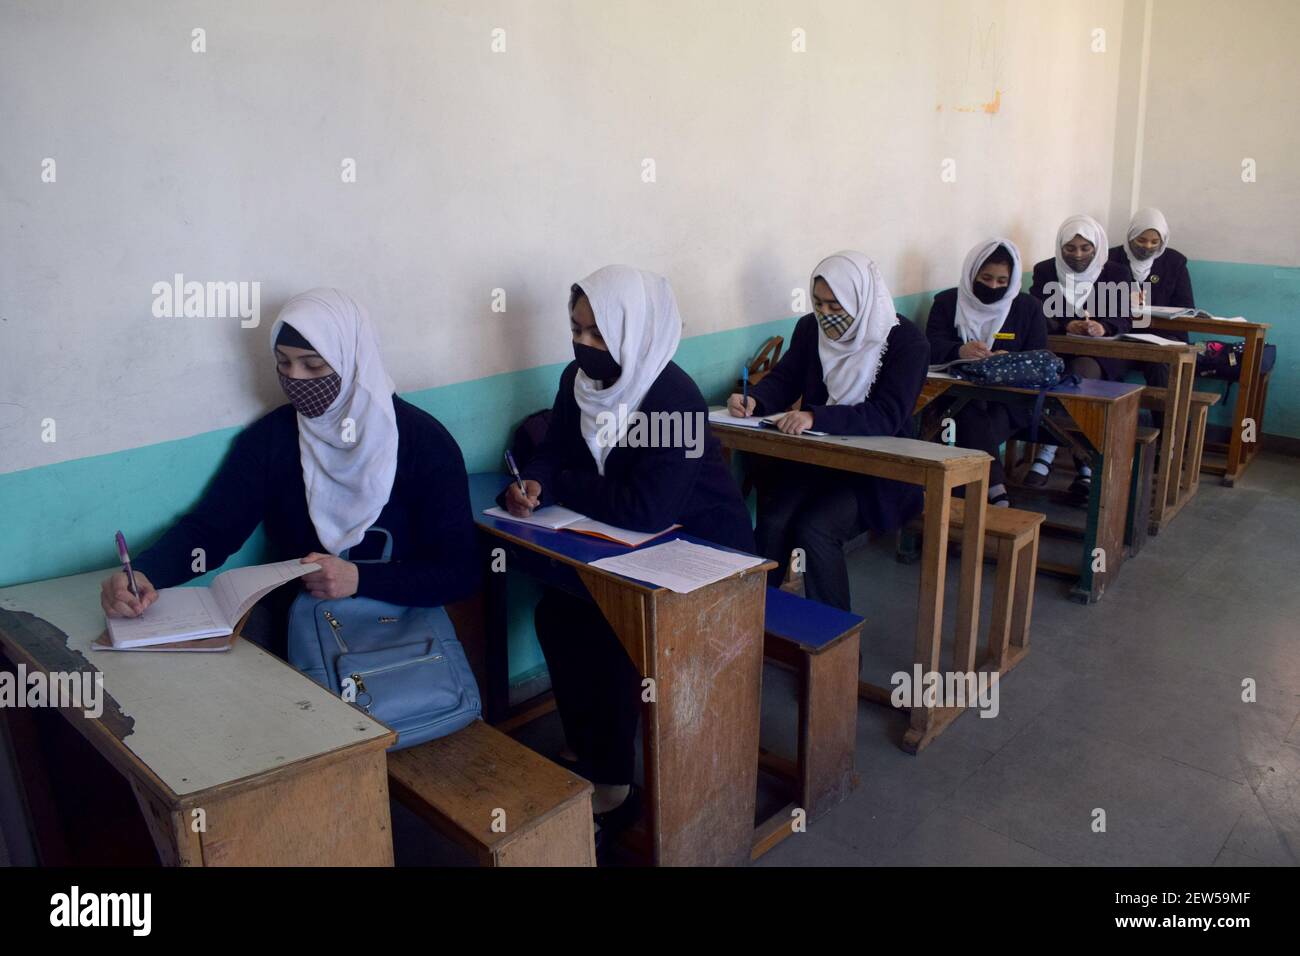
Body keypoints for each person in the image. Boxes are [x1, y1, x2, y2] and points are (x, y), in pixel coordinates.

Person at [501, 265, 754, 842]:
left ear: (634, 331)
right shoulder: (578, 381)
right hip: (623, 541)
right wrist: (534, 482)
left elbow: (647, 507)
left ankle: (614, 785)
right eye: (576, 329)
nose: (584, 345)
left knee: (612, 630)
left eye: (598, 333)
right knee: (557, 613)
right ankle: (590, 748)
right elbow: (555, 450)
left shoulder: (675, 399)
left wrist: (560, 483)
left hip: (706, 549)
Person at [100, 289, 479, 658]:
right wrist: (147, 574)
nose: (296, 377)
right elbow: (212, 530)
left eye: (314, 365)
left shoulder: (423, 443)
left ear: (353, 361)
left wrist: (360, 579)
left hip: (394, 625)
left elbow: (459, 572)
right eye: (283, 363)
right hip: (297, 621)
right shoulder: (274, 438)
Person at [726, 251, 928, 611]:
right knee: (772, 522)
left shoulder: (906, 343)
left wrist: (816, 417)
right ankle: (754, 622)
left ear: (860, 299)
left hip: (877, 471)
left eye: (836, 305)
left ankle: (835, 647)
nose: (825, 314)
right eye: (818, 303)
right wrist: (754, 399)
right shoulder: (810, 328)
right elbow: (785, 378)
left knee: (815, 530)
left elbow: (888, 415)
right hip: (818, 461)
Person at [925, 239, 1047, 506]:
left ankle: (962, 505)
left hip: (1006, 399)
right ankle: (993, 491)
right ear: (972, 273)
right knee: (967, 414)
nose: (993, 286)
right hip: (955, 396)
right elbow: (930, 346)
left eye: (1002, 281)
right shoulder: (947, 302)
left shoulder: (1027, 308)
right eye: (986, 278)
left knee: (974, 426)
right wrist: (959, 350)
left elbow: (1038, 356)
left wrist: (1011, 361)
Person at [1027, 215, 1132, 495]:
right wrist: (1065, 325)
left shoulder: (1116, 273)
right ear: (1059, 247)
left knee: (1079, 377)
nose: (1078, 255)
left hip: (1100, 356)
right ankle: (1083, 462)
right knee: (1060, 373)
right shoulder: (1046, 271)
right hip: (1057, 349)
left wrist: (1103, 326)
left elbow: (1124, 318)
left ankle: (1049, 452)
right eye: (1070, 249)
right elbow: (1036, 312)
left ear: (1097, 247)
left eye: (1086, 249)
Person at [1108, 206, 1196, 387]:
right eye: (1141, 240)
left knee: (1160, 364)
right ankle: (1113, 414)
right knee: (1104, 364)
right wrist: (1125, 303)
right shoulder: (1111, 259)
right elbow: (1099, 302)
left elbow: (1186, 307)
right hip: (1121, 335)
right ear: (1131, 235)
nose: (1148, 246)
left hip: (1162, 337)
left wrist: (1151, 310)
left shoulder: (1174, 263)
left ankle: (1164, 416)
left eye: (1155, 242)